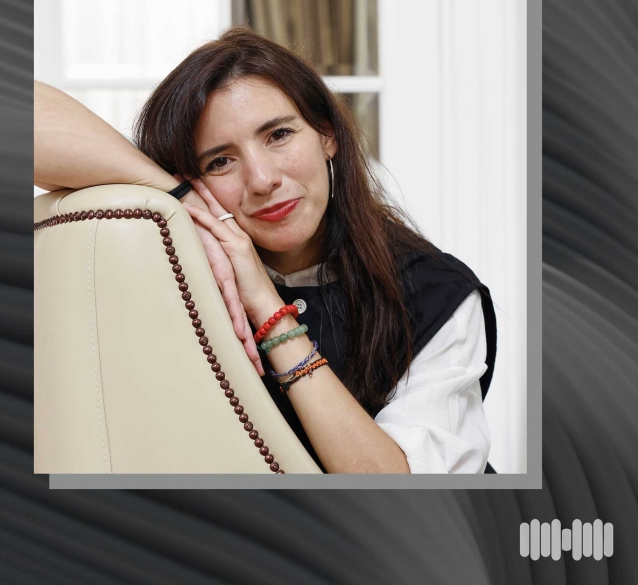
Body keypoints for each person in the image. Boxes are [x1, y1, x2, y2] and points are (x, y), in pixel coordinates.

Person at [35, 27, 497, 474]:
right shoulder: (174, 266)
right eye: (220, 161)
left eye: (278, 135)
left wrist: (266, 306)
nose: (261, 180)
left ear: (326, 135)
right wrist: (176, 197)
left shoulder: (436, 291)